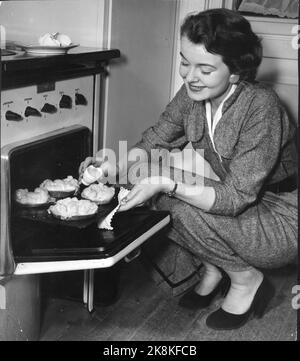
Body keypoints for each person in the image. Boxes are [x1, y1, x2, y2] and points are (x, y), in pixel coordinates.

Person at [79, 9, 298, 330]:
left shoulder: (261, 106)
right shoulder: (194, 92)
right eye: (185, 61)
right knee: (141, 190)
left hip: (282, 216)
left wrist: (167, 182)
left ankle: (245, 279)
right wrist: (116, 163)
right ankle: (215, 265)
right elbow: (157, 137)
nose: (189, 76)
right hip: (242, 204)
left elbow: (236, 198)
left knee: (169, 199)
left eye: (205, 68)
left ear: (236, 72)